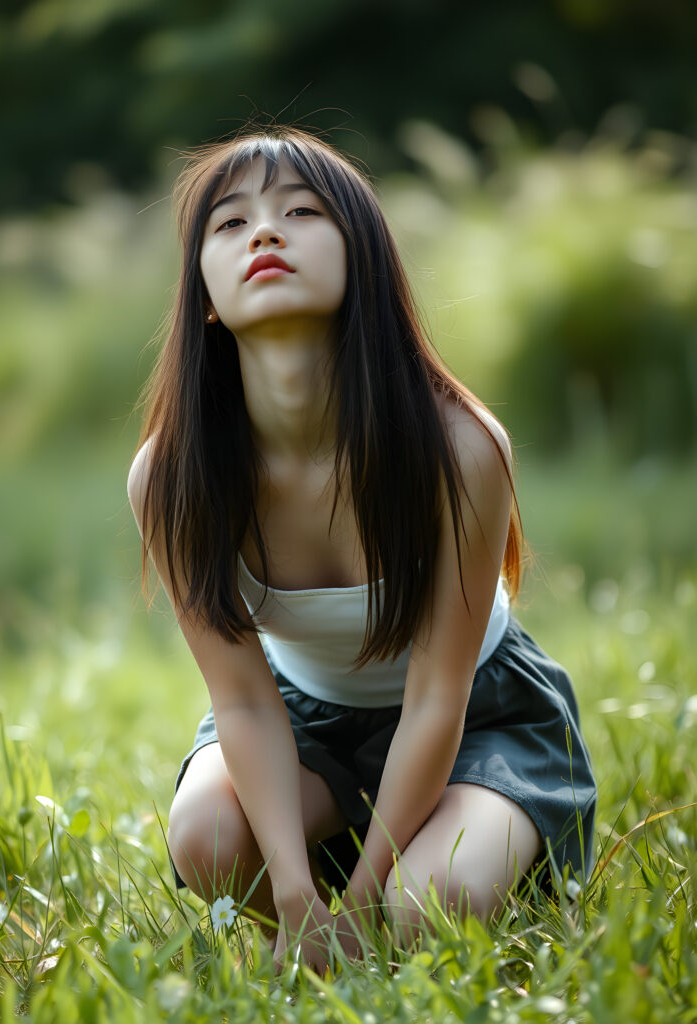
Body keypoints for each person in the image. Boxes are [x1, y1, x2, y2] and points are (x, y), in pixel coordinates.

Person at [127, 128, 596, 967]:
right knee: (205, 837)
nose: (264, 233)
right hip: (300, 721)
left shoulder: (458, 449)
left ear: (364, 260)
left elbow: (436, 696)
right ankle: (317, 919)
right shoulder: (170, 477)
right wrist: (295, 892)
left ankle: (433, 858)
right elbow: (241, 701)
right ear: (203, 293)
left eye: (301, 212)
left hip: (477, 717)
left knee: (433, 903)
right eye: (229, 225)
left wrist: (364, 893)